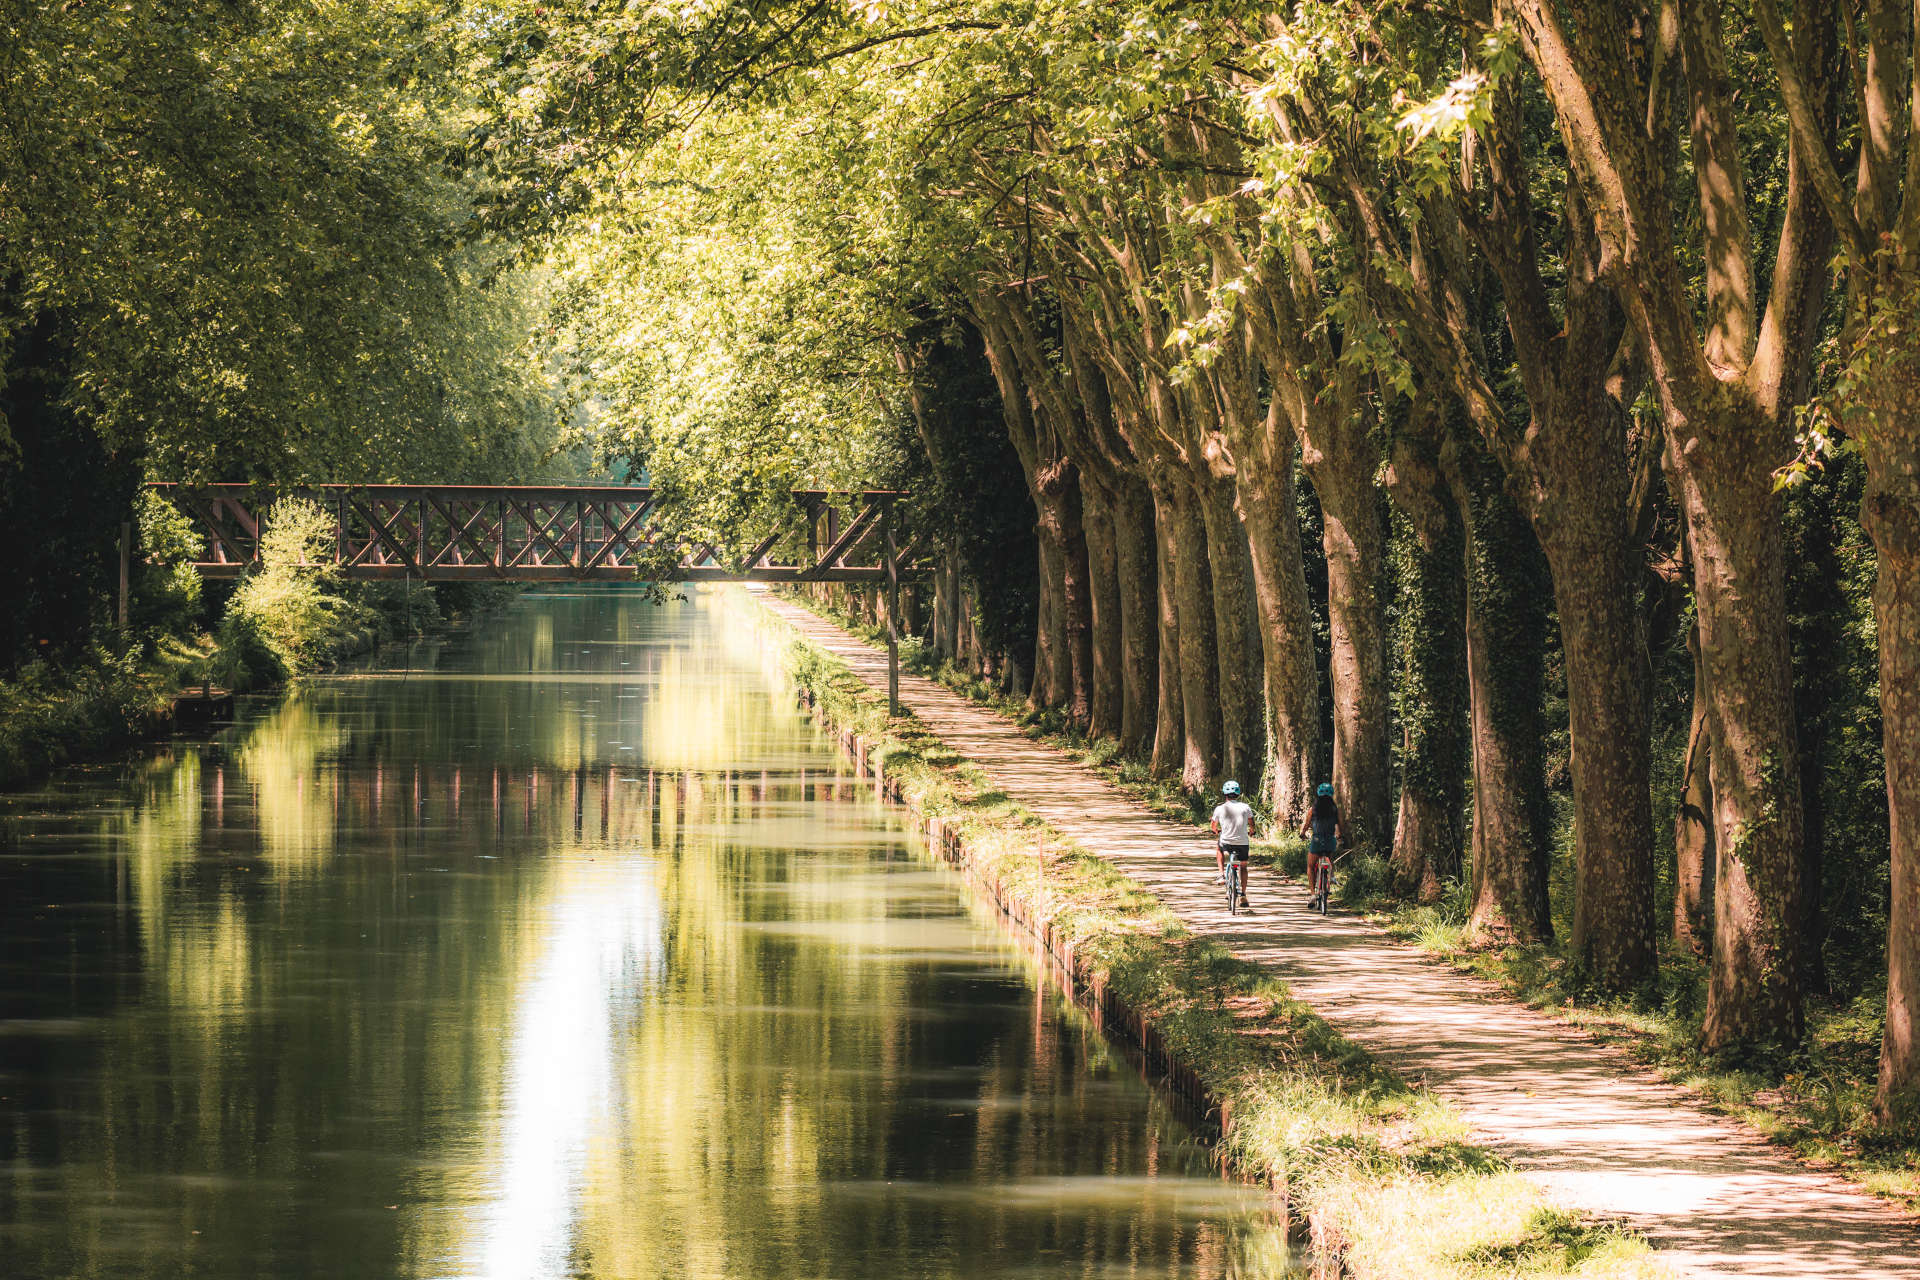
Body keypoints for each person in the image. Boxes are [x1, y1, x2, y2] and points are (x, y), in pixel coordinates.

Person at [1298, 783, 1345, 910]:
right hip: (1330, 840)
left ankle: (1313, 894)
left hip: (1317, 840)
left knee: (1310, 866)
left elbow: (1307, 824)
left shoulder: (1313, 809)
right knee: (1330, 857)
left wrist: (1302, 834)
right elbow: (1339, 825)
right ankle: (1331, 876)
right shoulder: (1335, 809)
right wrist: (1339, 836)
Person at [1210, 780, 1255, 910]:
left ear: (1225, 794)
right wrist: (1252, 831)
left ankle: (1221, 874)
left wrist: (1215, 831)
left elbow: (1213, 825)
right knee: (1243, 866)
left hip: (1226, 842)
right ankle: (1243, 895)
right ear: (1238, 793)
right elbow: (1252, 823)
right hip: (1242, 843)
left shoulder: (1220, 808)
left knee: (1219, 848)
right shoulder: (1246, 807)